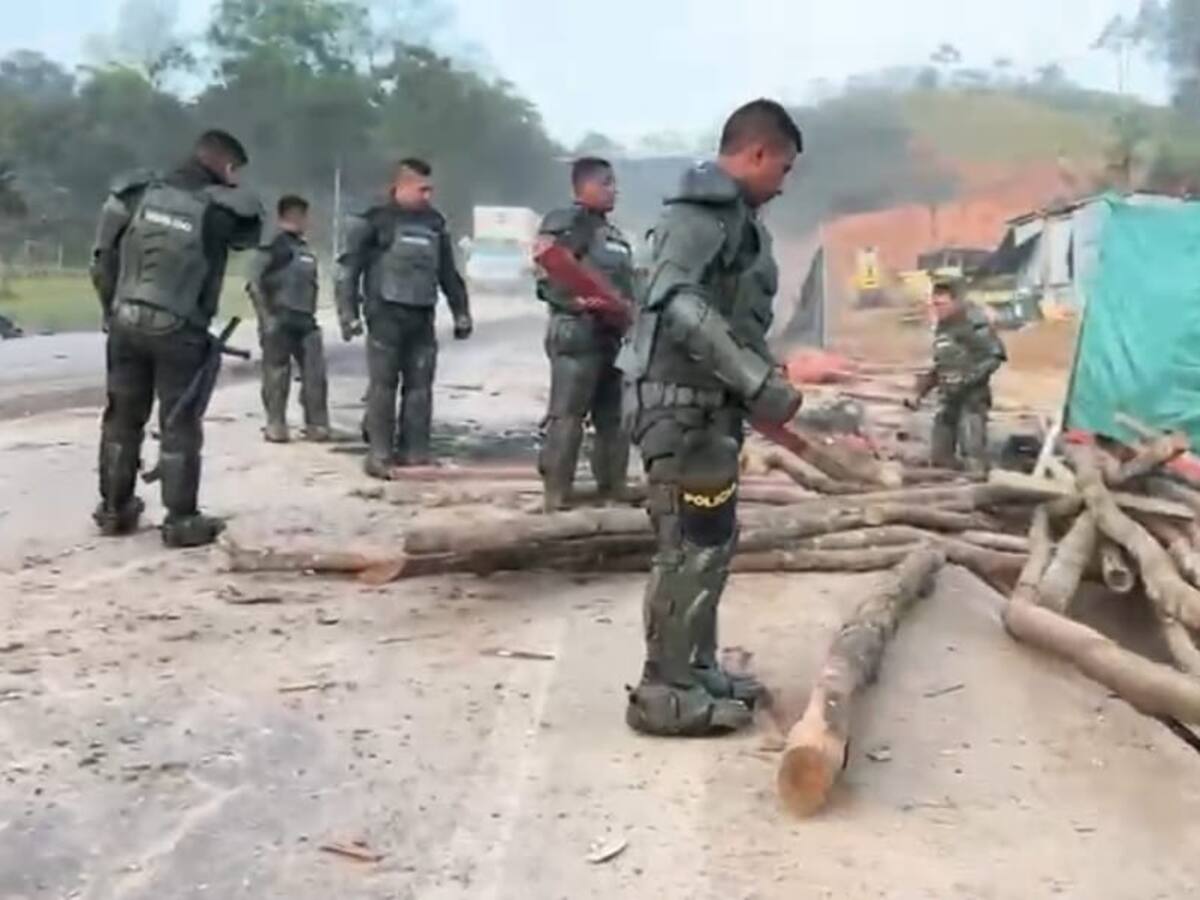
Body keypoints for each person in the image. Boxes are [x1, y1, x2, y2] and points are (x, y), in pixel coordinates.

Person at [618, 99, 805, 736]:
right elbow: (679, 304)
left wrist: (767, 380)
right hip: (678, 410)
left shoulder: (739, 221)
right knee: (686, 548)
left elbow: (738, 320)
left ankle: (693, 667)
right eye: (782, 166)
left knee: (711, 544)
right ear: (755, 153)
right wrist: (754, 380)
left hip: (711, 412)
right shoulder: (698, 216)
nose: (784, 182)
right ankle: (663, 690)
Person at [90, 129, 263, 547]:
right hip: (180, 327)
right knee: (179, 423)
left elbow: (102, 262)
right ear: (227, 165)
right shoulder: (222, 210)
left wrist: (111, 311)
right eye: (234, 171)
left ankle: (114, 511)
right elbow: (249, 235)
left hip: (125, 319)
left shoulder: (133, 194)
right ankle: (181, 520)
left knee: (121, 417)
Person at [336, 158, 473, 478]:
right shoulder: (375, 220)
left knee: (420, 387)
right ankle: (379, 454)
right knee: (384, 385)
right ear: (400, 185)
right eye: (422, 188)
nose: (428, 195)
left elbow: (448, 272)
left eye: (431, 189)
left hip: (422, 314)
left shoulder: (434, 223)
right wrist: (347, 314)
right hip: (385, 313)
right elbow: (348, 269)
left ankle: (415, 451)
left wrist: (461, 312)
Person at [535, 156, 636, 511]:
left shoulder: (614, 236)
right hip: (576, 332)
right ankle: (557, 491)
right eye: (606, 183)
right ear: (584, 187)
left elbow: (628, 284)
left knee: (614, 415)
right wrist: (580, 302)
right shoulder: (567, 223)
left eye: (614, 182)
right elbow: (548, 273)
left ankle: (613, 484)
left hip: (612, 335)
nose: (614, 190)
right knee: (568, 414)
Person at [246, 194, 332, 444]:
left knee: (315, 374)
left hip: (306, 320)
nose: (305, 221)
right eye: (301, 216)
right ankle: (276, 424)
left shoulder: (305, 250)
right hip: (279, 317)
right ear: (289, 217)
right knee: (276, 374)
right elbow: (254, 284)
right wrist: (266, 318)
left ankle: (317, 424)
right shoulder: (273, 247)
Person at [914, 281, 1007, 474]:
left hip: (971, 397)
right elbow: (943, 364)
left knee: (972, 449)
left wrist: (968, 378)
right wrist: (922, 389)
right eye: (935, 304)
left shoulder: (973, 322)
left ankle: (978, 490)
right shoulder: (943, 328)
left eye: (942, 304)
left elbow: (995, 355)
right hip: (948, 396)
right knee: (940, 452)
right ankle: (944, 489)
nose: (937, 309)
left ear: (956, 302)